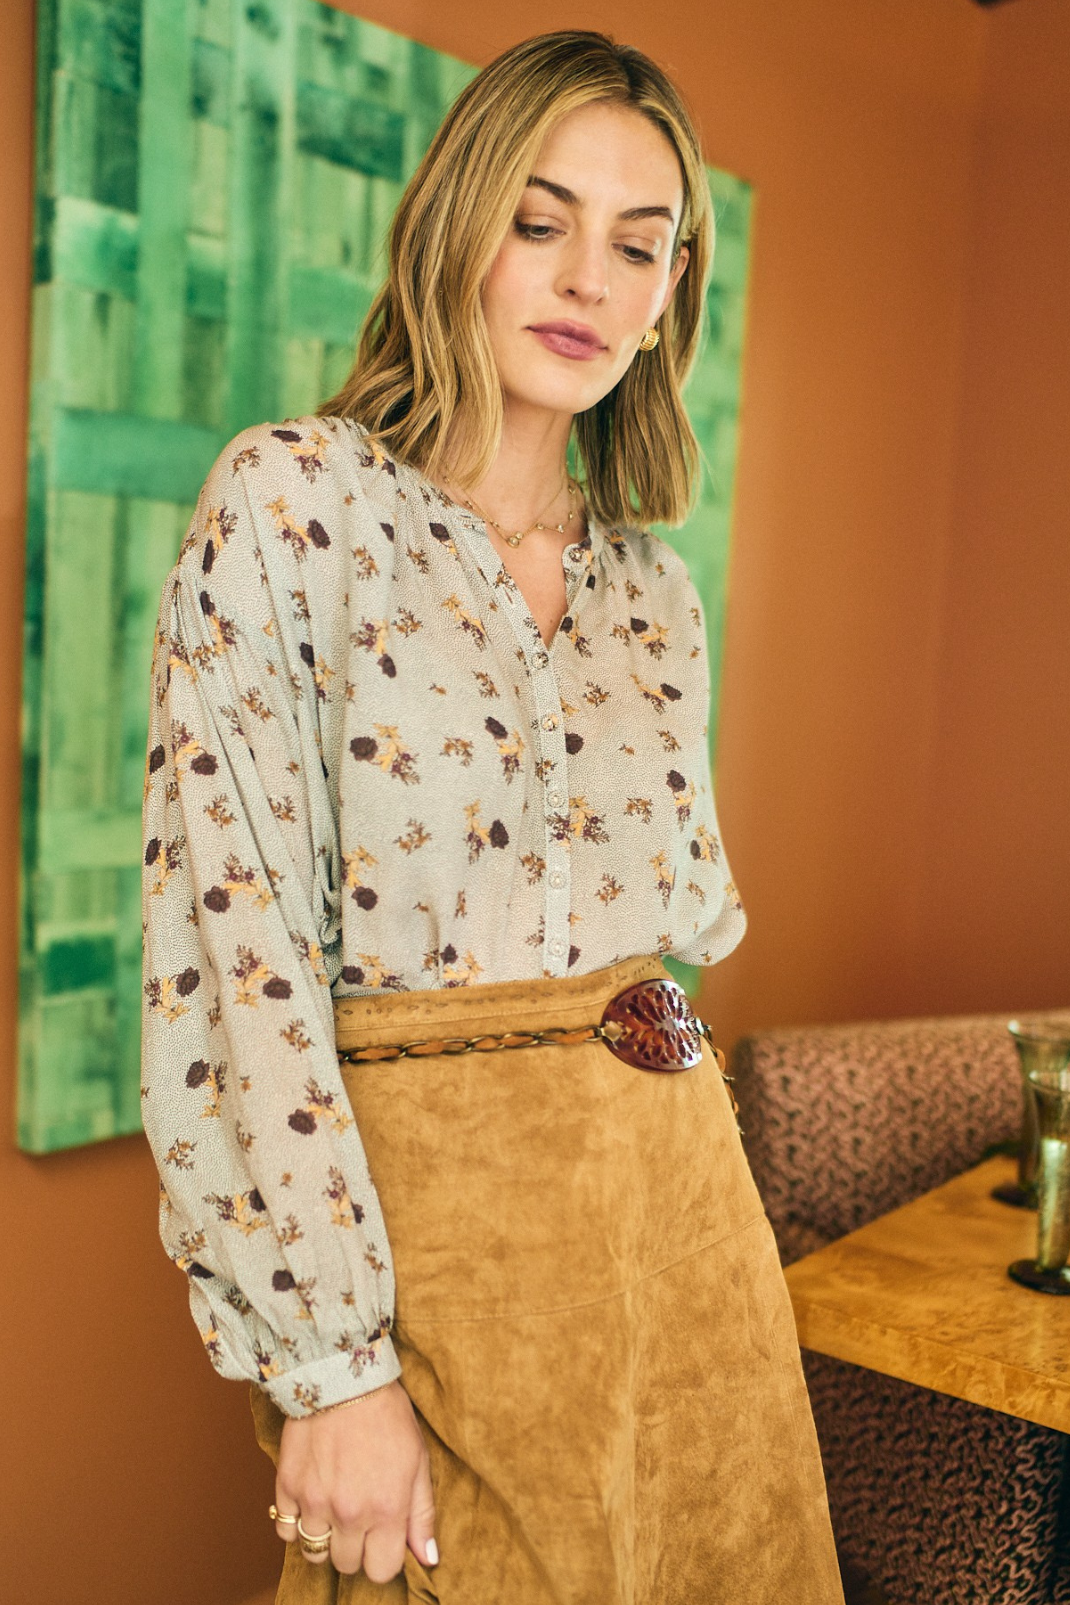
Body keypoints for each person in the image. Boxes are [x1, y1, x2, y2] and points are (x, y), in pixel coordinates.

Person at [141, 29, 844, 1605]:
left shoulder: (652, 593)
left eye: (637, 243)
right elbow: (228, 962)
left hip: (684, 1238)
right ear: (454, 225)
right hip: (442, 1254)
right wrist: (328, 1368)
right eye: (539, 222)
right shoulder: (292, 507)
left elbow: (661, 975)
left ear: (672, 296)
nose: (587, 277)